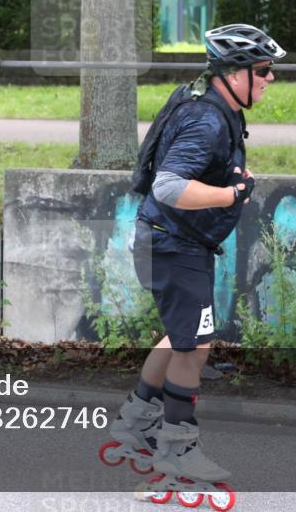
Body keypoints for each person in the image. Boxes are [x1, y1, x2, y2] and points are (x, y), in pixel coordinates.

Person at [109, 24, 286, 485]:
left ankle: (135, 420)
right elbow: (169, 186)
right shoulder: (207, 120)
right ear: (233, 73)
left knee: (180, 335)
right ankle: (177, 448)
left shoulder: (202, 101)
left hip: (164, 240)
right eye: (263, 70)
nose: (270, 79)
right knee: (196, 348)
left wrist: (229, 175)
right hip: (173, 245)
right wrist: (231, 195)